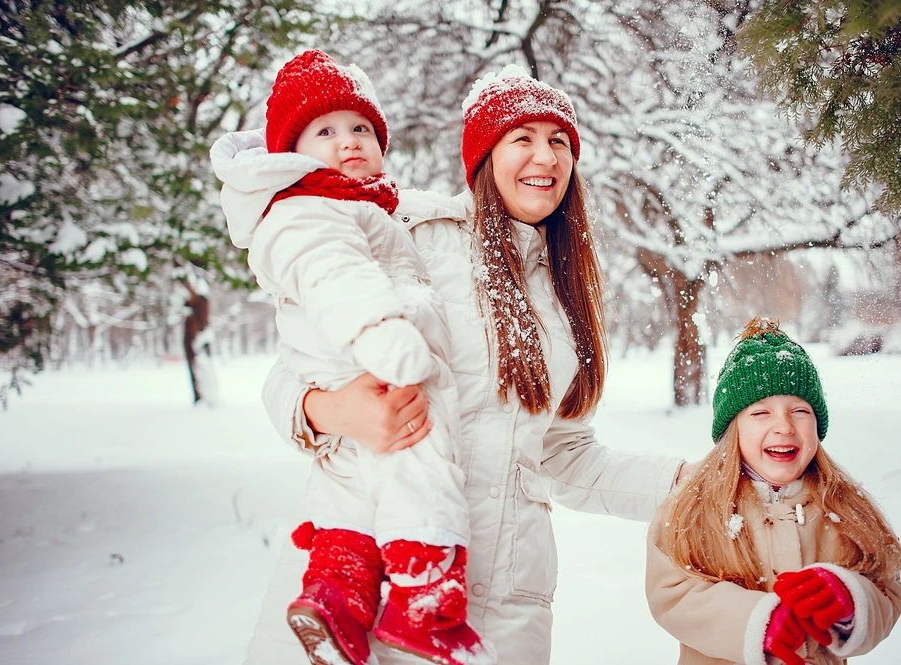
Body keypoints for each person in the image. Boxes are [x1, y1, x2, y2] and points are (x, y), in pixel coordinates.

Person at [236, 63, 692, 664]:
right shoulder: (414, 235)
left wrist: (695, 485)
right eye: (521, 139)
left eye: (559, 141)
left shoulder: (565, 295)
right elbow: (291, 372)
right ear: (482, 158)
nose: (545, 157)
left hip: (504, 599)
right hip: (371, 577)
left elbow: (560, 454)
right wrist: (335, 411)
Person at [211, 50, 492, 665]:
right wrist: (346, 388)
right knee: (417, 467)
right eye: (326, 131)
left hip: (368, 391)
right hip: (381, 374)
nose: (349, 142)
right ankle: (423, 603)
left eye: (361, 128)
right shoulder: (314, 211)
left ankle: (335, 595)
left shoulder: (368, 207)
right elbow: (336, 282)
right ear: (291, 152)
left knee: (350, 501)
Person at [645, 318, 901, 665]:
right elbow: (672, 594)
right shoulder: (692, 508)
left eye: (800, 411)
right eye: (761, 412)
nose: (783, 425)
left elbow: (887, 587)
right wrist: (755, 623)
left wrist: (851, 601)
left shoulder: (844, 506)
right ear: (732, 429)